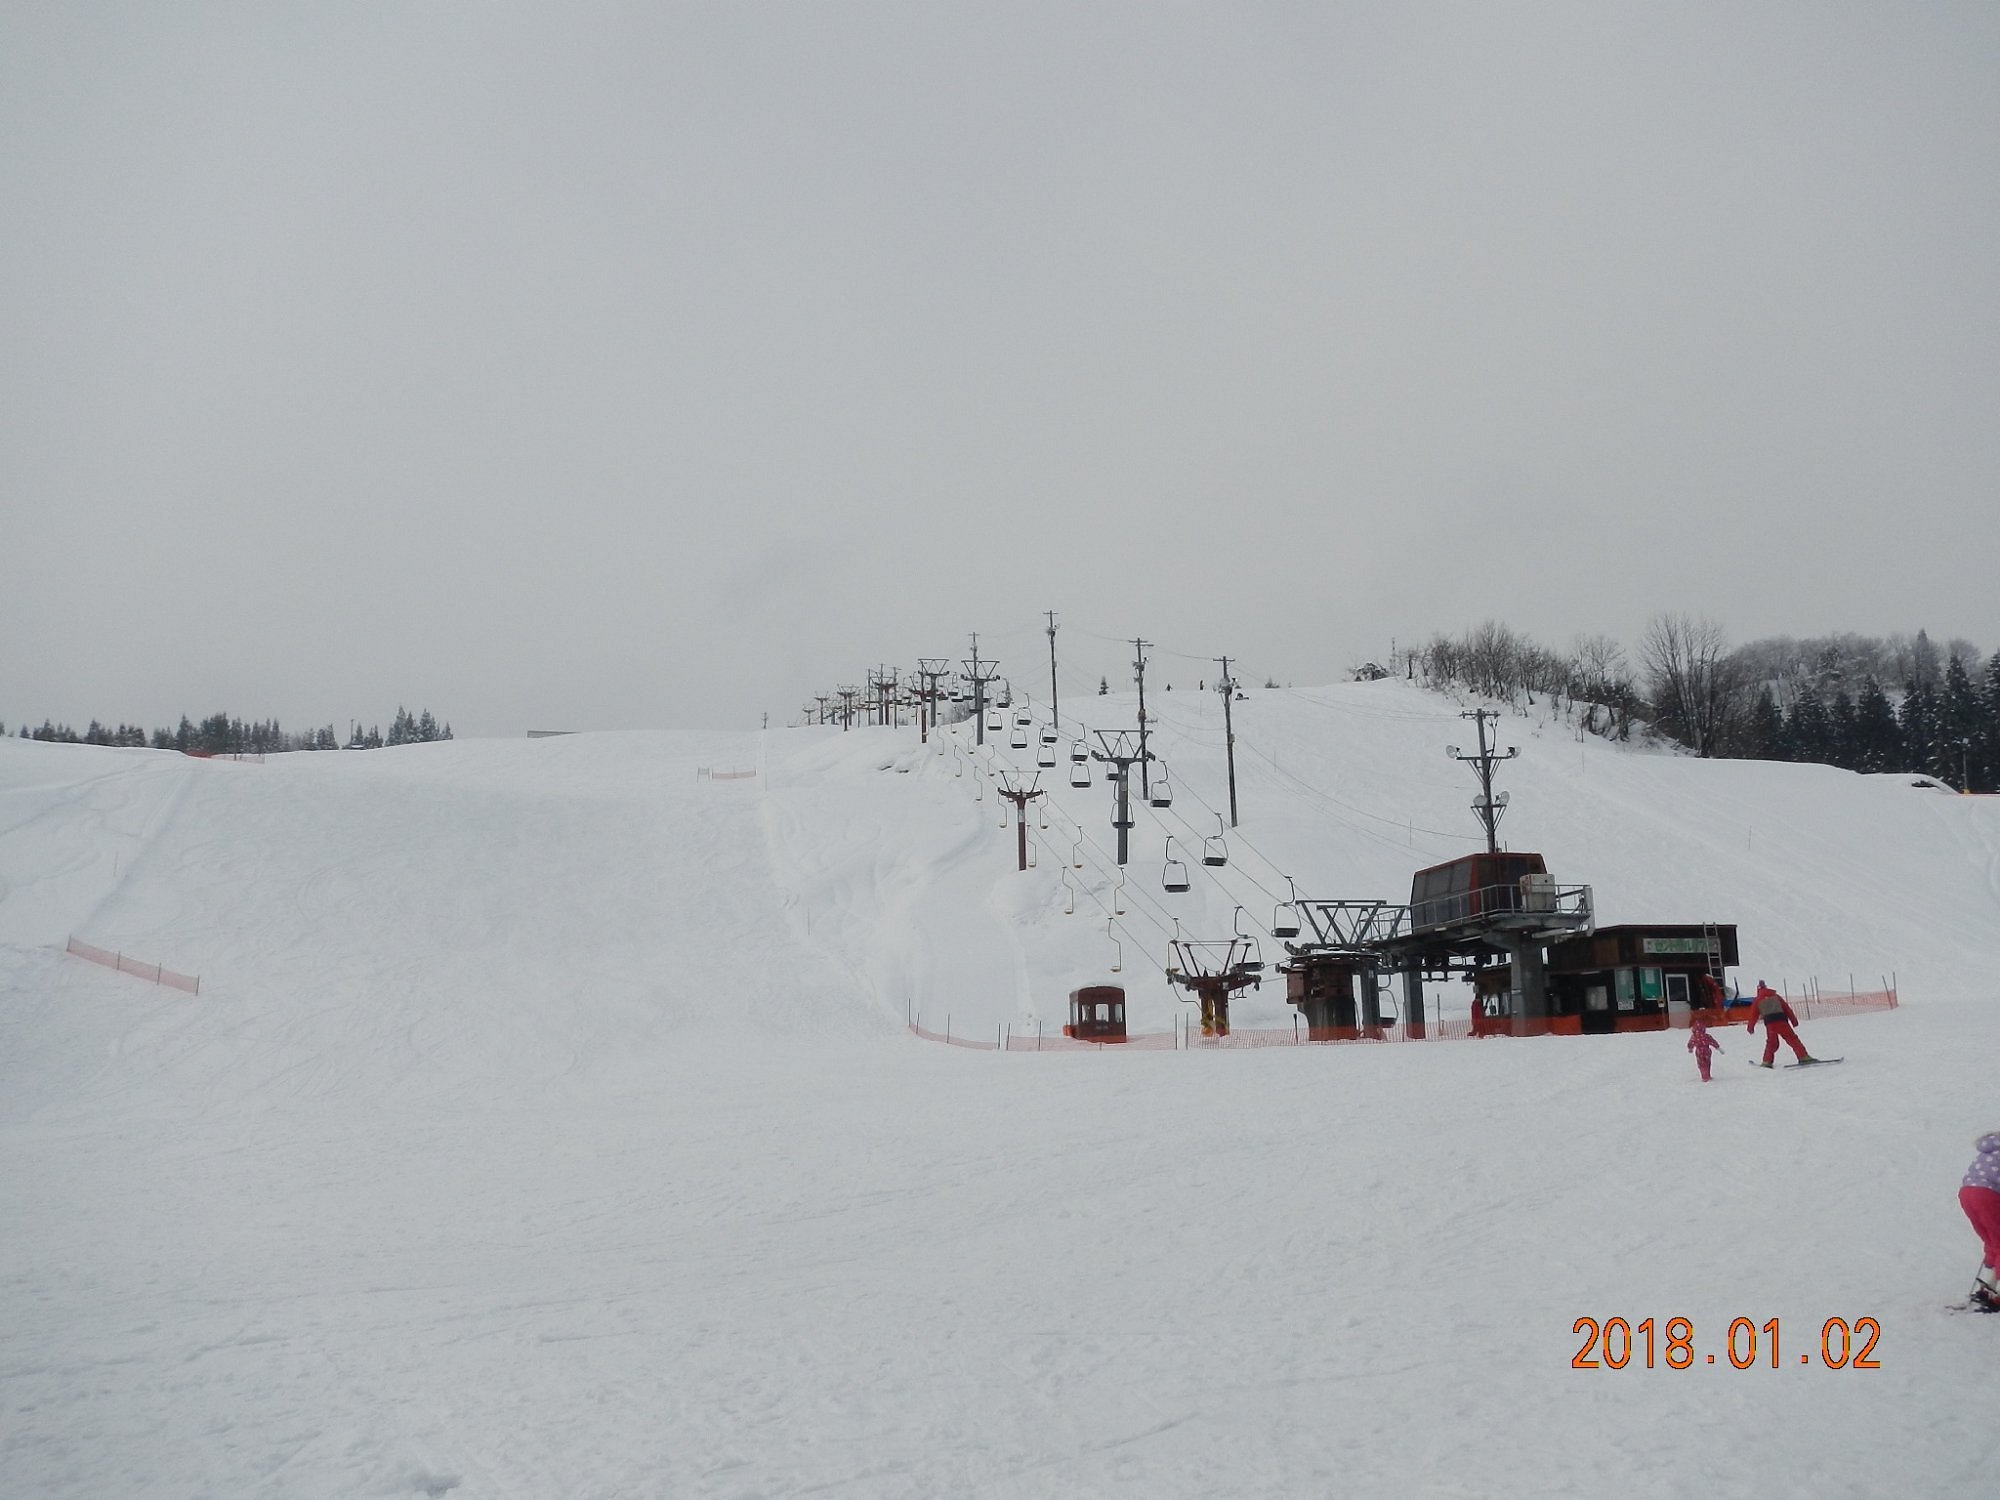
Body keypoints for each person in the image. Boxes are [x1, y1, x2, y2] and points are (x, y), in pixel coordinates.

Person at [1962, 1131, 2000, 1312]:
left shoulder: (1991, 1148)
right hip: (1988, 1195)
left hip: (1967, 1193)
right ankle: (1995, 1295)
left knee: (1993, 1242)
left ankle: (1985, 1287)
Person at [1745, 981, 1813, 1067]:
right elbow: (1787, 1009)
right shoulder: (1776, 996)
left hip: (1770, 1024)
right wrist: (1794, 1021)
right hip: (1781, 1021)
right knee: (1792, 1039)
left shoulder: (1757, 1000)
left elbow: (1753, 1015)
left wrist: (1750, 1027)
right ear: (1766, 987)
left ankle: (1767, 1061)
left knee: (1772, 1043)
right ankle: (1803, 1057)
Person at [1686, 1015, 1723, 1081]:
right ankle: (1708, 1075)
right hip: (1707, 1050)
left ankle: (1704, 1076)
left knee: (1701, 1064)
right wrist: (1718, 1048)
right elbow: (1713, 1042)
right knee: (1707, 1063)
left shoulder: (1694, 1037)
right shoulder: (1706, 1036)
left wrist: (1690, 1049)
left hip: (1699, 1051)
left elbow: (1690, 1043)